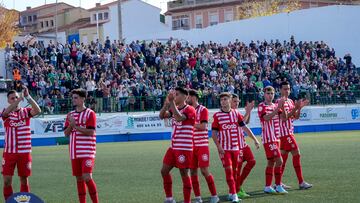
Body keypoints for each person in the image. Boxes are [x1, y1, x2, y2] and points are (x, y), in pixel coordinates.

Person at [211, 92, 257, 203]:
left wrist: (255, 139)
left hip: (236, 148)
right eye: (221, 100)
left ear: (230, 100)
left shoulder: (236, 114)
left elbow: (244, 127)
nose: (223, 101)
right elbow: (213, 134)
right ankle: (234, 194)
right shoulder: (217, 116)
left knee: (235, 172)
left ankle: (232, 193)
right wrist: (219, 147)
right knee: (229, 171)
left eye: (225, 99)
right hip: (225, 149)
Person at [1, 86, 41, 200]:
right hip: (9, 152)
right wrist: (19, 100)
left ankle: (24, 202)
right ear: (8, 100)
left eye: (16, 97)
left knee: (24, 179)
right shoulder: (6, 113)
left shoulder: (26, 112)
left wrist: (28, 97)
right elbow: (4, 114)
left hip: (24, 152)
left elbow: (38, 110)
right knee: (7, 181)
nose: (15, 100)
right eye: (12, 98)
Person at [159, 87, 196, 203]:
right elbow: (161, 116)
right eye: (174, 94)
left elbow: (179, 118)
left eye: (177, 94)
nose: (175, 96)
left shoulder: (190, 109)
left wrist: (171, 103)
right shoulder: (174, 108)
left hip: (184, 147)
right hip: (173, 147)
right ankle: (169, 198)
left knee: (184, 173)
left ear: (185, 96)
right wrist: (166, 104)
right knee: (164, 171)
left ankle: (187, 201)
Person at [64, 89, 98, 203]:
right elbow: (66, 133)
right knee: (79, 179)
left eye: (76, 97)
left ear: (83, 98)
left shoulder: (90, 113)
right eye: (73, 98)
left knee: (87, 177)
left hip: (87, 151)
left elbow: (91, 132)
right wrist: (71, 126)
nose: (73, 100)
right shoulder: (70, 115)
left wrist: (76, 126)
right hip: (74, 152)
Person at [277, 81, 313, 189]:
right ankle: (301, 182)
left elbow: (295, 117)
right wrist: (296, 108)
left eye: (288, 89)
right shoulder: (279, 102)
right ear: (280, 90)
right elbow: (284, 117)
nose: (287, 91)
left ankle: (278, 183)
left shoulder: (290, 101)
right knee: (297, 154)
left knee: (283, 158)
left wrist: (299, 107)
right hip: (285, 134)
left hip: (288, 132)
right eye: (284, 89)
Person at [186, 89, 219, 203]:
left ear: (194, 97)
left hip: (202, 145)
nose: (186, 99)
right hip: (191, 145)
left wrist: (190, 123)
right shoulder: (187, 110)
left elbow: (204, 126)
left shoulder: (203, 109)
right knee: (193, 172)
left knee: (204, 171)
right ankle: (198, 197)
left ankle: (214, 195)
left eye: (188, 97)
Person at [257, 86, 287, 194]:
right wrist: (277, 108)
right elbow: (266, 118)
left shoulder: (275, 105)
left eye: (272, 93)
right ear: (264, 94)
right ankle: (278, 185)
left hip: (276, 138)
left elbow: (284, 118)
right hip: (268, 138)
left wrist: (282, 107)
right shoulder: (262, 106)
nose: (270, 95)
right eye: (268, 93)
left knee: (271, 162)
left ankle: (267, 186)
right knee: (280, 161)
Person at [231, 94, 260, 198]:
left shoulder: (237, 112)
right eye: (234, 101)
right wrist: (248, 111)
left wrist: (249, 112)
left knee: (252, 161)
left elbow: (245, 122)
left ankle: (238, 186)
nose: (236, 103)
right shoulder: (229, 114)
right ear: (230, 102)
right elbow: (241, 123)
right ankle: (237, 190)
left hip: (243, 144)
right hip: (235, 146)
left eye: (237, 101)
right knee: (236, 170)